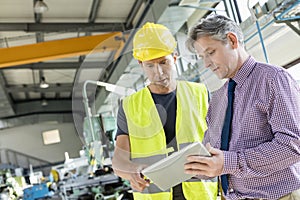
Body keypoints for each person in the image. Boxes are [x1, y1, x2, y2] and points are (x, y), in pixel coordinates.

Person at [184, 14, 300, 200]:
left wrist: (230, 162)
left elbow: (293, 145)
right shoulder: (218, 99)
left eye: (210, 52)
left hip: (279, 196)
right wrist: (193, 167)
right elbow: (215, 154)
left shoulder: (273, 79)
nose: (206, 64)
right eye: (201, 57)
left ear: (232, 40)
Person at [112, 22, 218, 199]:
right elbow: (118, 160)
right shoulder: (129, 106)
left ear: (175, 58)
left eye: (163, 62)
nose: (159, 72)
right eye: (150, 66)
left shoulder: (200, 93)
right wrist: (131, 171)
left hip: (201, 193)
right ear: (141, 64)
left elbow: (223, 140)